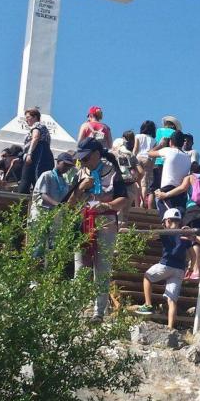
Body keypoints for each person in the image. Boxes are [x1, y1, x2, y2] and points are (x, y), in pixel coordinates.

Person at [70, 138, 129, 322]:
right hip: (83, 223)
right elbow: (70, 203)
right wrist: (80, 188)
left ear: (96, 154)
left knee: (102, 267)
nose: (83, 162)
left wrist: (106, 205)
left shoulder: (112, 172)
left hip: (106, 222)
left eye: (86, 158)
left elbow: (123, 200)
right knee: (80, 266)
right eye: (81, 159)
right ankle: (76, 308)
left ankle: (99, 311)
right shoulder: (79, 173)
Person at [158, 163, 200, 277]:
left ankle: (196, 270)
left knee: (193, 240)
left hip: (193, 211)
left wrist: (165, 195)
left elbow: (181, 188)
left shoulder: (191, 177)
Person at [136, 208, 192, 328]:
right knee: (172, 300)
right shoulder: (184, 235)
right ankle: (170, 327)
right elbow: (193, 253)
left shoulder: (165, 232)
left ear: (167, 220)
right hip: (180, 269)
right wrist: (191, 267)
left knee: (147, 277)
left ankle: (148, 304)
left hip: (166, 265)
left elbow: (150, 236)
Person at [29, 152, 76, 256]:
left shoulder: (64, 181)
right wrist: (57, 204)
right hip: (41, 212)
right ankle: (34, 268)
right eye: (65, 164)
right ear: (58, 162)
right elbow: (43, 195)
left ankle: (48, 269)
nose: (67, 168)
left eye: (69, 166)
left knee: (54, 245)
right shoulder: (47, 175)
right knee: (38, 244)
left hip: (56, 215)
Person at [150, 131, 191, 216]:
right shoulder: (188, 157)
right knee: (178, 218)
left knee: (168, 219)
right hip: (181, 192)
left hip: (167, 190)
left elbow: (150, 153)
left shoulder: (168, 151)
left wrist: (160, 145)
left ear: (170, 141)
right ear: (183, 143)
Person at [18, 108, 55, 194]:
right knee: (32, 180)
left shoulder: (37, 125)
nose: (26, 120)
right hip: (38, 154)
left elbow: (35, 137)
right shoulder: (41, 127)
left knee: (29, 178)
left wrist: (29, 153)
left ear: (35, 117)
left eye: (28, 117)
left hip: (36, 154)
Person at [150, 115, 180, 195]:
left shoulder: (158, 130)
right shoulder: (174, 133)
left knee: (154, 186)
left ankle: (151, 205)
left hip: (156, 159)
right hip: (168, 161)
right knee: (164, 185)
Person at [134, 120, 157, 208]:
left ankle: (136, 203)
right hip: (148, 159)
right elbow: (154, 155)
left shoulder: (138, 136)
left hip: (138, 158)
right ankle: (142, 202)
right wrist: (152, 165)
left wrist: (131, 159)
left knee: (136, 182)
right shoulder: (154, 140)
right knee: (144, 184)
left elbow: (135, 149)